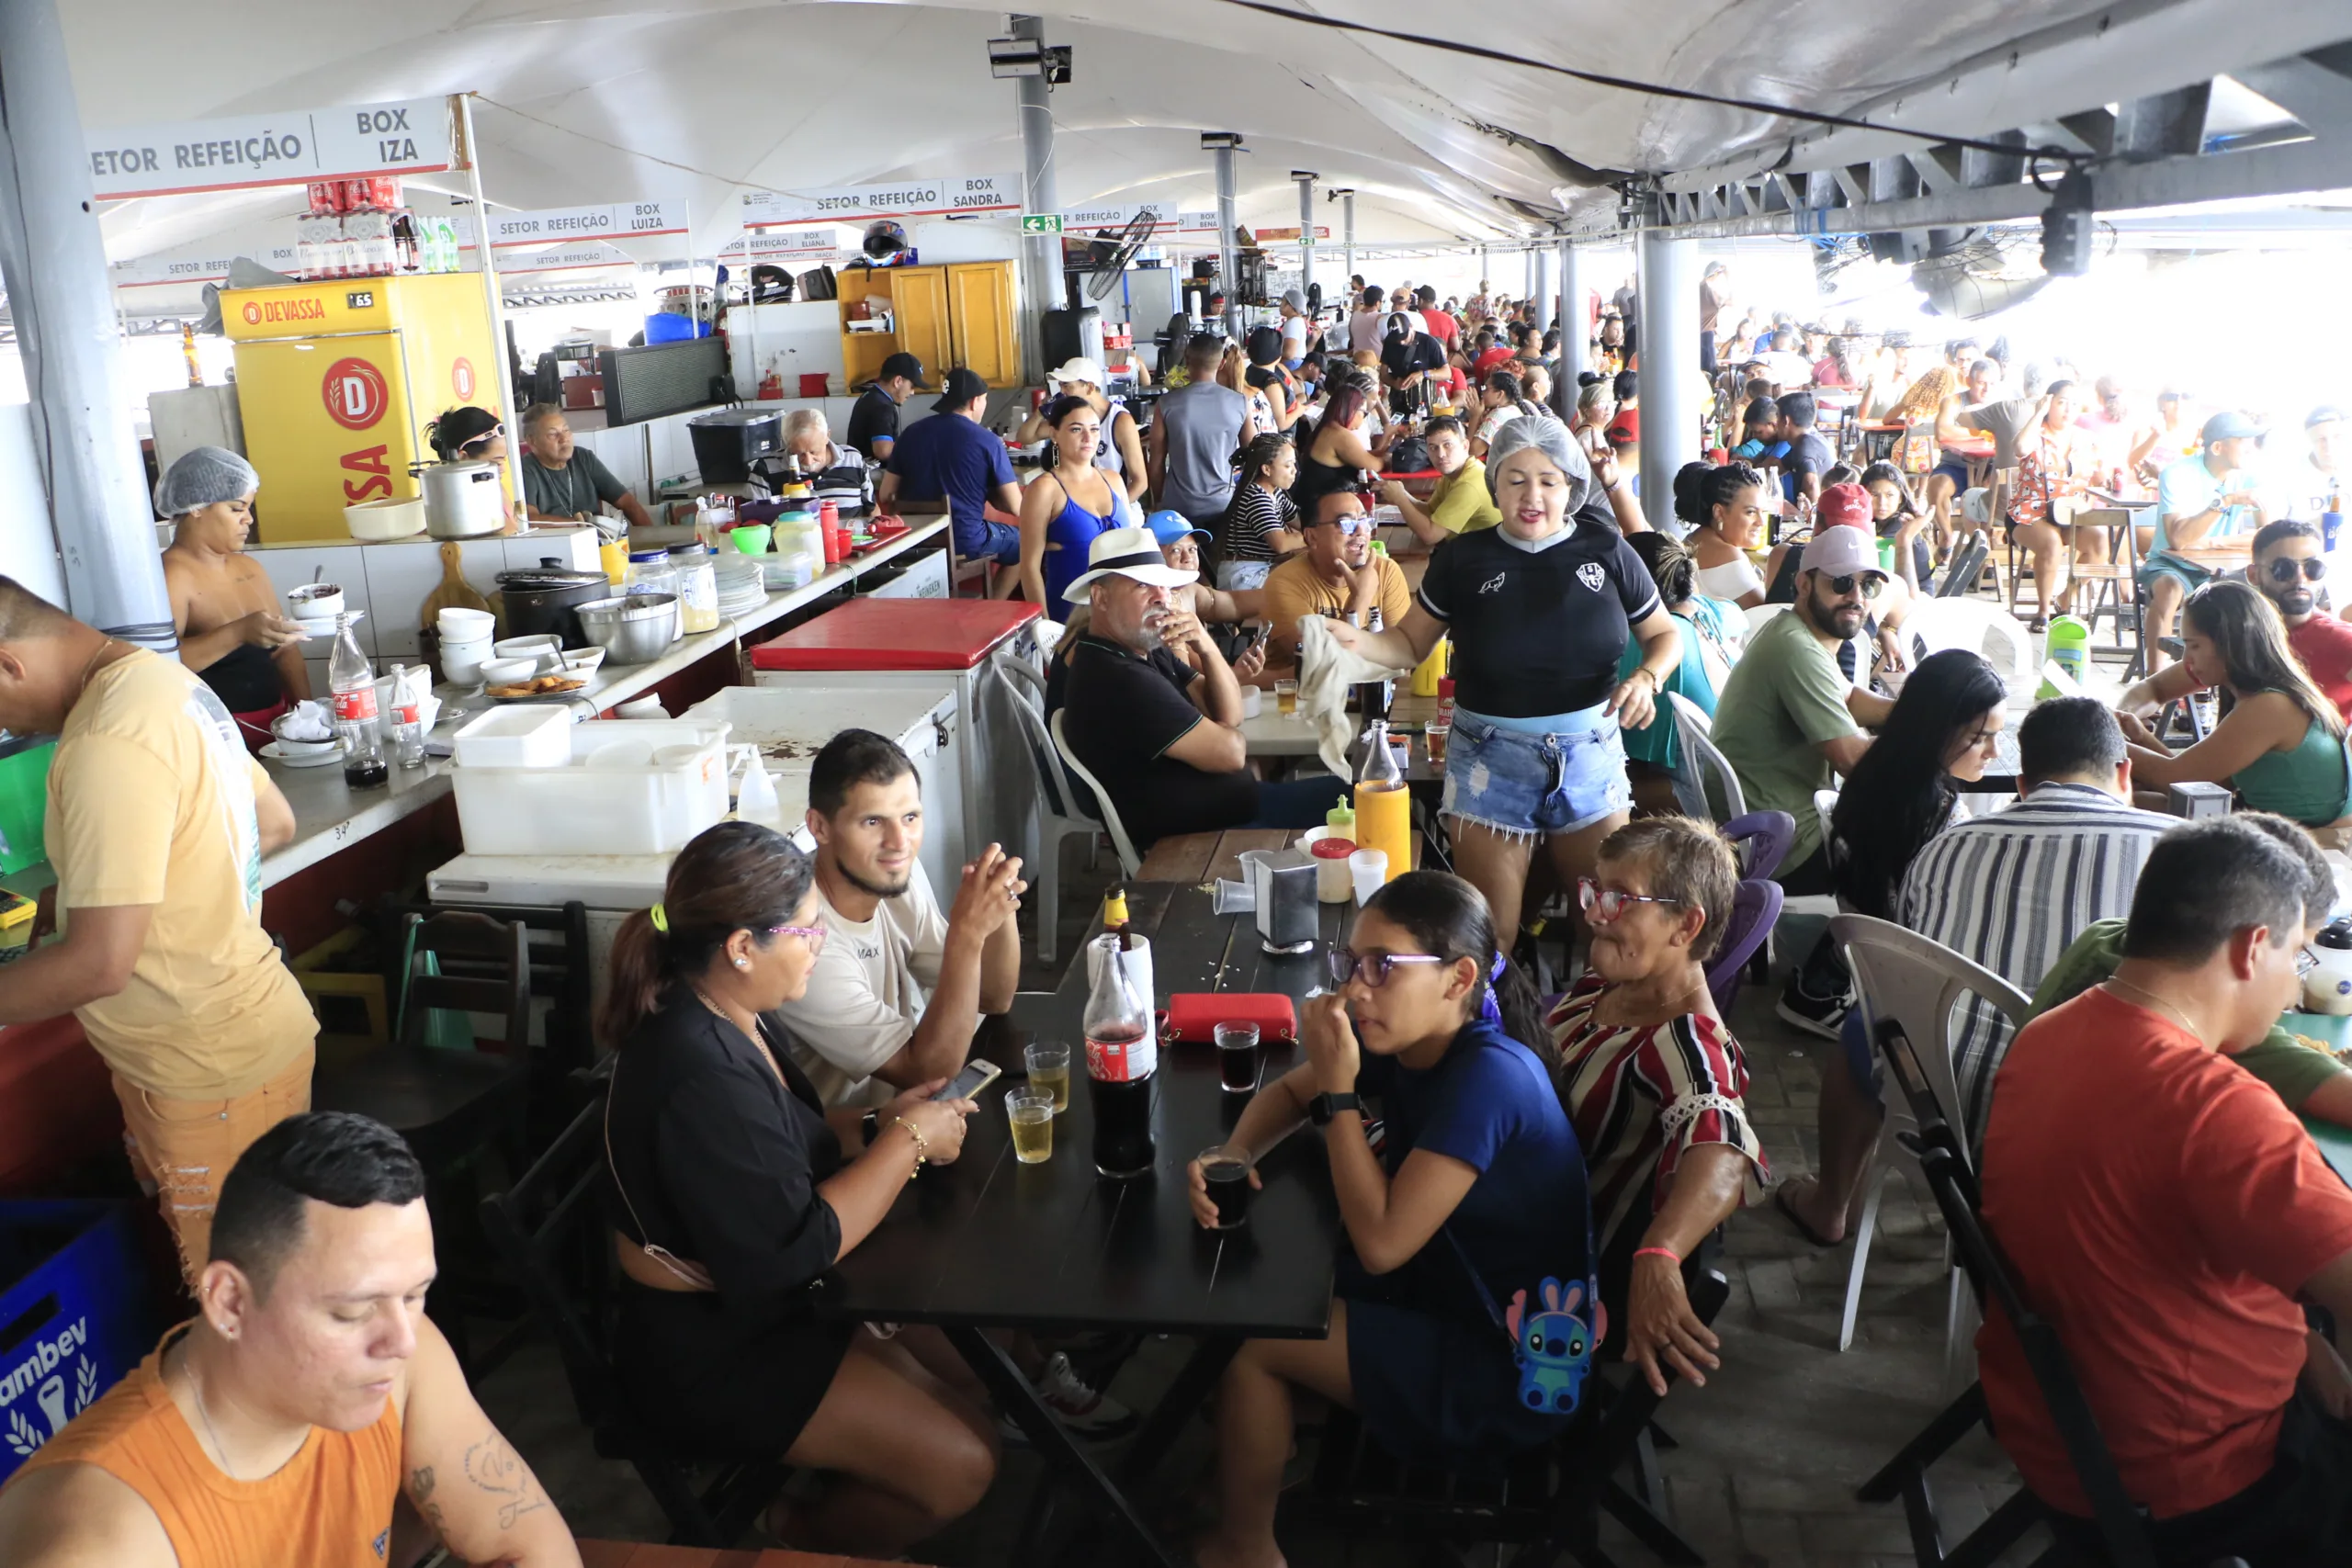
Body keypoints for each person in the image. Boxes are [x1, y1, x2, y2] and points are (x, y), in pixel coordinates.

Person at [596, 823, 1003, 1554]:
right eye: (807, 931)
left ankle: (836, 1492)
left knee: (977, 1399)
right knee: (966, 1468)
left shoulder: (725, 1008)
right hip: (716, 1347)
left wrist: (885, 1117)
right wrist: (909, 1141)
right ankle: (798, 1538)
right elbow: (799, 1246)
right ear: (742, 946)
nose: (821, 944)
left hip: (770, 1301)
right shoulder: (700, 1072)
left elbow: (790, 1136)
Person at [1975, 816, 2352, 1562]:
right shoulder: (2216, 1106)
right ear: (2252, 947)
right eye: (2296, 953)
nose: (2290, 983)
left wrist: (2306, 1345)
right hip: (2196, 1477)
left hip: (2061, 1426)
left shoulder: (2050, 1033)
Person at [1191, 873, 1589, 1568]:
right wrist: (1233, 1151)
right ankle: (1269, 1437)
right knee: (1269, 1286)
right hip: (1451, 1297)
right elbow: (1291, 1088)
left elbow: (1380, 1245)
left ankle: (1245, 1547)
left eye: (1382, 967)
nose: (1355, 989)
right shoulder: (1420, 1038)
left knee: (1254, 1338)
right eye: (1351, 964)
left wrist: (1342, 1089)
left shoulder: (1488, 1080)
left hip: (1512, 1369)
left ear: (1458, 977)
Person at [0, 1112, 582, 1568]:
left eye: (414, 1295)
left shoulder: (398, 1364)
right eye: (352, 1311)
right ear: (230, 1302)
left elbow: (530, 1539)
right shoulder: (106, 1535)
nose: (402, 1340)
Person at [0, 579, 311, 1279]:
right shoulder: (160, 682)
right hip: (237, 1043)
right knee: (272, 1288)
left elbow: (96, 965)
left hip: (207, 1070)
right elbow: (271, 823)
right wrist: (94, 884)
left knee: (249, 1319)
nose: (7, 726)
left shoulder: (106, 739)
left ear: (8, 663)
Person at [1328, 417, 1681, 942]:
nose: (1531, 495)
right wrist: (1352, 641)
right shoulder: (1464, 557)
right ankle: (1499, 1022)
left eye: (1548, 480)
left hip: (1591, 754)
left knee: (1605, 930)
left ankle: (1580, 1023)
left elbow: (1664, 635)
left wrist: (1647, 678)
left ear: (1572, 487)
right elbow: (1408, 645)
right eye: (1515, 479)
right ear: (1494, 483)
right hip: (1488, 760)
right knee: (1493, 936)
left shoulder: (1607, 549)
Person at [1776, 649, 2007, 1242]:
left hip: (1878, 983)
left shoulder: (1873, 780)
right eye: (1982, 738)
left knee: (1861, 1033)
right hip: (1936, 1020)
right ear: (1943, 730)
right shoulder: (1948, 827)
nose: (1994, 753)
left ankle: (1829, 1200)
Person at [1892, 697, 2177, 1144]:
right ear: (2124, 773)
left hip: (1939, 1102)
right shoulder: (2175, 849)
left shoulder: (1945, 847)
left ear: (2023, 785)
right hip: (2092, 1129)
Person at [1545, 818, 1765, 1392]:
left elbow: (1724, 1143)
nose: (1595, 912)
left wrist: (1661, 1252)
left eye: (1620, 899)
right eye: (1596, 891)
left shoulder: (1685, 1042)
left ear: (1686, 924)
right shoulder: (1605, 987)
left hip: (1546, 1278)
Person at [2026, 811, 2352, 1131]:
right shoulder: (2216, 1079)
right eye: (2296, 952)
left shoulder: (2108, 940)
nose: (2291, 990)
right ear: (2255, 946)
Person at [769, 728, 1024, 1108]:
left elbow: (993, 996)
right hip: (845, 1147)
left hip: (908, 1120)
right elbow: (927, 1071)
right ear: (819, 827)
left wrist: (998, 904)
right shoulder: (803, 938)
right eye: (873, 822)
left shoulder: (891, 881)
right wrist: (968, 932)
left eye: (909, 818)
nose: (899, 842)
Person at [1058, 530, 1335, 843]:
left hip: (1233, 812)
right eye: (1142, 585)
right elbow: (1232, 752)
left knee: (1363, 795)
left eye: (1162, 584)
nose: (1161, 596)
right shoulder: (1118, 678)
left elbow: (1230, 715)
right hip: (1202, 838)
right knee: (1363, 800)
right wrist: (1221, 730)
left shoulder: (1145, 648)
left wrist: (1204, 644)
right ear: (1101, 597)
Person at [1709, 528, 1893, 908]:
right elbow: (1853, 760)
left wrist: (1922, 707)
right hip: (1785, 844)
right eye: (1842, 583)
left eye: (1868, 585)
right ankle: (1851, 960)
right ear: (1804, 583)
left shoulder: (1796, 632)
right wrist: (1927, 739)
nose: (1856, 597)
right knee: (1917, 852)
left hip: (1767, 823)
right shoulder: (1797, 649)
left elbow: (1851, 698)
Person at [2117, 579, 2352, 833]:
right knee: (2127, 799)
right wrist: (2141, 739)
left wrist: (2103, 739)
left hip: (2321, 840)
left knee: (2125, 804)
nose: (2187, 660)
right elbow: (2208, 785)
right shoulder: (2265, 694)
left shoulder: (2271, 706)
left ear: (2231, 644)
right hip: (2284, 826)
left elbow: (2176, 779)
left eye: (2194, 645)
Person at [2122, 519, 2352, 722]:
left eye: (2313, 567)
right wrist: (2119, 722)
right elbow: (2153, 688)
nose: (2300, 578)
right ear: (2254, 575)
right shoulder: (2240, 636)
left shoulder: (2340, 640)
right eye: (2283, 568)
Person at [155, 447, 309, 749]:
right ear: (197, 507)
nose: (248, 520)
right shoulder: (171, 575)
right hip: (216, 741)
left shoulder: (249, 568)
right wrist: (239, 633)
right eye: (236, 508)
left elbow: (284, 651)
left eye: (248, 508)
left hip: (278, 732)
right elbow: (159, 666)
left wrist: (310, 713)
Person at [1614, 533, 1736, 814]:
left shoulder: (1649, 644)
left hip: (1708, 797)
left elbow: (1624, 735)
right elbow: (1738, 615)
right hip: (1738, 775)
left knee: (1590, 792)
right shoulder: (1708, 609)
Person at [2143, 411, 2271, 666]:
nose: (2250, 447)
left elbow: (2268, 537)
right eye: (2242, 440)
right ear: (2217, 446)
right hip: (2170, 563)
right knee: (2169, 590)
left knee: (2261, 598)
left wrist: (2215, 542)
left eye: (2252, 440)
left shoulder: (2250, 476)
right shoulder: (2177, 474)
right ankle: (2156, 685)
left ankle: (2234, 681)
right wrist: (2225, 502)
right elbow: (2178, 540)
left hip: (2222, 566)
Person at [878, 368, 1023, 580]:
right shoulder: (988, 441)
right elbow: (1015, 507)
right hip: (966, 540)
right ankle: (993, 606)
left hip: (915, 540)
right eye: (985, 400)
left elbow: (885, 494)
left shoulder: (910, 433)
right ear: (975, 402)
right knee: (1026, 544)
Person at [1256, 491, 1413, 675]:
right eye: (1346, 524)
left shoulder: (1386, 571)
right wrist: (1361, 596)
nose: (1361, 531)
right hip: (1300, 699)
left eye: (1364, 521)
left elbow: (1404, 657)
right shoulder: (1284, 582)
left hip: (1375, 695)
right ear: (1312, 537)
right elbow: (1323, 667)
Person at [1017, 394, 1132, 617]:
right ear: (1054, 434)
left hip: (1121, 612)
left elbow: (1132, 550)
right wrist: (1044, 626)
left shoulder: (1114, 481)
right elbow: (1029, 567)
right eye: (1076, 429)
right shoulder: (1044, 489)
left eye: (1095, 429)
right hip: (1070, 617)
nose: (1089, 437)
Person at [2005, 380, 2095, 629]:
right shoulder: (2036, 434)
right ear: (2049, 402)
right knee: (2051, 543)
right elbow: (2020, 448)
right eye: (2061, 402)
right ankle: (2043, 611)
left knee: (2100, 542)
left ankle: (2066, 598)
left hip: (2071, 512)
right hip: (2029, 512)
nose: (2067, 409)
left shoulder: (2085, 439)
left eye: (2074, 404)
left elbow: (2099, 476)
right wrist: (2038, 413)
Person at [1148, 335, 1255, 529]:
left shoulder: (1166, 404)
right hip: (1224, 503)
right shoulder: (1239, 402)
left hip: (1179, 505)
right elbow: (1254, 455)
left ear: (1186, 361)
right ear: (1222, 363)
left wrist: (1157, 503)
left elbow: (1156, 461)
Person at [518, 404, 655, 530]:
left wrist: (652, 539)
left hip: (599, 541)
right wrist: (579, 524)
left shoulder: (583, 458)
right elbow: (530, 520)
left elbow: (628, 503)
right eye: (553, 434)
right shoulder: (526, 469)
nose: (564, 438)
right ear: (532, 441)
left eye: (566, 430)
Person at [1031, 356, 1150, 501]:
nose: (1062, 392)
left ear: (1090, 387)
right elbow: (1025, 436)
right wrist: (1040, 412)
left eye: (1068, 386)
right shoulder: (1069, 416)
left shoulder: (1120, 421)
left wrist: (1115, 512)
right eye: (1061, 386)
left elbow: (1140, 483)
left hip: (1118, 505)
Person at [1382, 415, 1501, 544]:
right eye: (1433, 447)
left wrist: (1400, 499)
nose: (1441, 455)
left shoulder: (1469, 484)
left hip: (1486, 558)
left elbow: (1431, 536)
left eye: (1447, 445)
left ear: (1465, 446)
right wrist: (1403, 494)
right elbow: (1431, 511)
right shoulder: (1455, 472)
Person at [1290, 369, 1384, 517]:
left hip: (1321, 503)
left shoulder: (1329, 427)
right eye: (1364, 413)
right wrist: (1387, 453)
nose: (1364, 418)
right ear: (1351, 410)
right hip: (1320, 511)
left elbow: (1362, 456)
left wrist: (1386, 443)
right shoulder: (1338, 434)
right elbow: (1374, 466)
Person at [1216, 433, 1304, 590]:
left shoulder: (1275, 493)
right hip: (1244, 574)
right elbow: (1281, 544)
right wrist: (1317, 535)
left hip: (1259, 568)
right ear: (1267, 469)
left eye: (1294, 465)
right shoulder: (1256, 497)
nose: (1294, 471)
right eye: (1287, 465)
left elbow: (1301, 521)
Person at [422, 404, 520, 531]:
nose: (503, 469)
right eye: (496, 463)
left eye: (503, 460)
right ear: (463, 459)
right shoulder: (439, 506)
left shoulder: (495, 487)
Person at [1689, 462, 1771, 608]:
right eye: (1751, 512)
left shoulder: (1697, 537)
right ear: (1719, 513)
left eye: (1763, 512)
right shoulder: (1729, 557)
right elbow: (1766, 616)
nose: (1761, 522)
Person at [1861, 459, 1931, 590]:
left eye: (1890, 495)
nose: (1882, 502)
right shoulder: (1876, 521)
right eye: (1874, 495)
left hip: (1918, 595)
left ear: (1900, 498)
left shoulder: (1902, 523)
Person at [847, 351, 927, 463]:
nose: (912, 392)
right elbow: (883, 451)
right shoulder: (882, 407)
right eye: (912, 386)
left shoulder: (870, 396)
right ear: (898, 381)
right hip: (873, 476)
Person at [2278, 404, 2346, 524]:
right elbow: (2271, 534)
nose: (2329, 447)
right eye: (2321, 439)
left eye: (2337, 437)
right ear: (2309, 440)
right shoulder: (2288, 478)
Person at [1381, 311, 1445, 419]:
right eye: (1397, 339)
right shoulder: (1390, 343)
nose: (1401, 342)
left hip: (1424, 406)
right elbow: (1383, 373)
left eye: (1404, 337)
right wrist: (1393, 382)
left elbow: (1446, 373)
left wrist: (1424, 374)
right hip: (1399, 406)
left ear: (1411, 327)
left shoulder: (1428, 342)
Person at [1777, 392, 1833, 509]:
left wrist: (1808, 522)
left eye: (1777, 417)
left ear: (1786, 421)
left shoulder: (1805, 447)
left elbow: (1812, 484)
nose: (1774, 424)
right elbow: (1775, 467)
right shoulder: (1809, 439)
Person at [1238, 326, 1299, 435]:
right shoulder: (1271, 383)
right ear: (1278, 354)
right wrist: (1300, 411)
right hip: (1279, 443)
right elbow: (1281, 424)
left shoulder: (1246, 372)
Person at [1469, 371, 1539, 459]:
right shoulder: (1515, 409)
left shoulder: (1498, 415)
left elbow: (1472, 452)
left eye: (1486, 388)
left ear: (1500, 394)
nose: (1482, 393)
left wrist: (1475, 416)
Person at [1415, 284, 1459, 355]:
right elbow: (1456, 347)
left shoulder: (1416, 317)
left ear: (1421, 300)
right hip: (1441, 360)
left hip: (1420, 360)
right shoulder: (1449, 319)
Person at [1347, 285, 1386, 356]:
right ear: (1378, 303)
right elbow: (1387, 343)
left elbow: (1352, 341)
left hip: (1357, 359)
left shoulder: (1354, 315)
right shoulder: (1380, 318)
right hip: (1376, 361)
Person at [1278, 288, 1313, 367]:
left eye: (1283, 302)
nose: (1280, 305)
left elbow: (1289, 354)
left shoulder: (1293, 323)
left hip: (1291, 364)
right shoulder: (1296, 321)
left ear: (1291, 305)